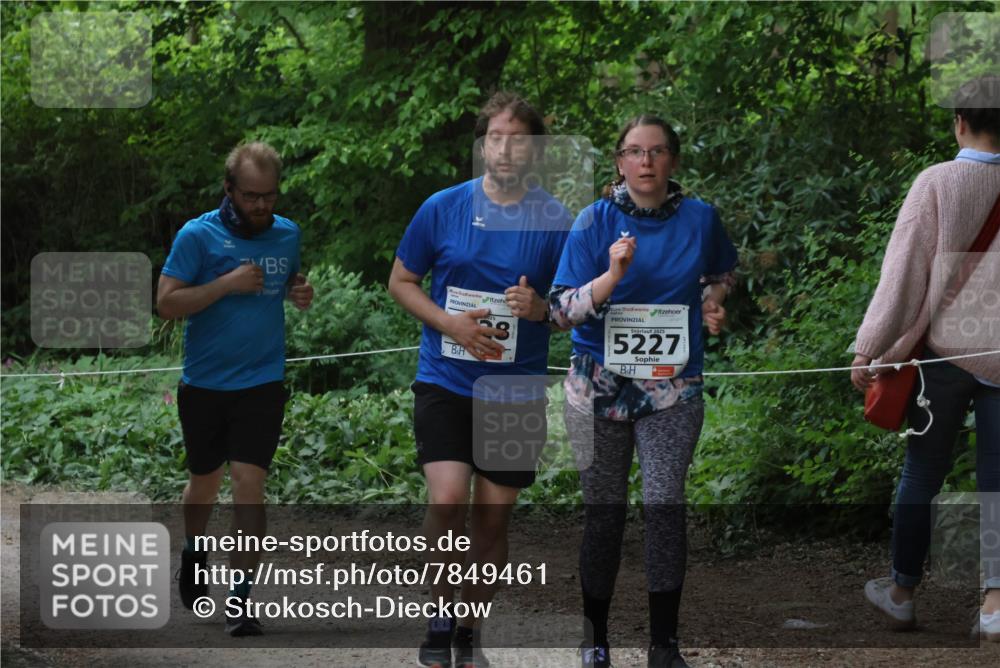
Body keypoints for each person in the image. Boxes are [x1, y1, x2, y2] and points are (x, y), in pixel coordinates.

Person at [387, 91, 572, 668]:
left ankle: (470, 626)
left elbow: (574, 305)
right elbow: (401, 280)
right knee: (446, 502)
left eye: (518, 139)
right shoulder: (442, 207)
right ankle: (438, 623)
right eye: (496, 137)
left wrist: (540, 307)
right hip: (444, 377)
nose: (506, 149)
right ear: (481, 144)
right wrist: (450, 324)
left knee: (492, 520)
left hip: (514, 389)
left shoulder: (557, 220)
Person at [549, 115, 737, 668]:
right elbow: (560, 312)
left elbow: (725, 271)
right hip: (598, 389)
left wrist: (713, 298)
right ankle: (595, 638)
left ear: (673, 160)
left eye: (657, 152)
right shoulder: (593, 221)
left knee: (664, 505)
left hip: (671, 388)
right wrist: (611, 274)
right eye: (634, 152)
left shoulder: (701, 219)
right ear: (619, 162)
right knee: (603, 514)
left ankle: (663, 645)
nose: (646, 162)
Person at [851, 79, 1000, 640]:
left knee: (921, 474)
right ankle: (994, 606)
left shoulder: (937, 181)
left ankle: (902, 593)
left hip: (941, 359)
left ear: (960, 120)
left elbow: (904, 275)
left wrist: (870, 347)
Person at [157, 141, 314, 637]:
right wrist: (224, 284)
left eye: (269, 196)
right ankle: (193, 550)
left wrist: (298, 290)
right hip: (204, 384)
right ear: (229, 189)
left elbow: (285, 281)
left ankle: (241, 601)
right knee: (204, 482)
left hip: (262, 382)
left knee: (250, 486)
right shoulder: (196, 236)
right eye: (250, 197)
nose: (262, 206)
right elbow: (166, 304)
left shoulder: (287, 234)